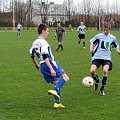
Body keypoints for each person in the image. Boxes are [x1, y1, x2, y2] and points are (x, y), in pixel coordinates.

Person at [29, 24, 69, 109]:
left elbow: (32, 55)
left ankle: (57, 103)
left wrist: (36, 65)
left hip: (42, 66)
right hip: (49, 63)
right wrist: (51, 68)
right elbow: (45, 56)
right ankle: (54, 90)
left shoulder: (34, 42)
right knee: (65, 78)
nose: (48, 33)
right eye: (47, 31)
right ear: (43, 31)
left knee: (57, 83)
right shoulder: (44, 43)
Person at [89, 22, 120, 96]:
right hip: (97, 57)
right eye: (104, 30)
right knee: (92, 71)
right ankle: (97, 81)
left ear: (110, 29)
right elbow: (92, 43)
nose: (105, 31)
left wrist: (118, 51)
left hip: (106, 58)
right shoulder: (98, 36)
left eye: (107, 30)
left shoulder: (112, 38)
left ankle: (102, 89)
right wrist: (91, 49)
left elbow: (116, 46)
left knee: (105, 70)